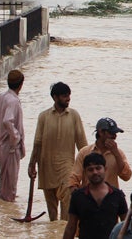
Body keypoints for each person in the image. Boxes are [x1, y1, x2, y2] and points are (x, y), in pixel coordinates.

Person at [28, 81, 88, 221]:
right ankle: (53, 232)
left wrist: (87, 167)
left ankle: (64, 231)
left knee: (67, 203)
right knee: (52, 210)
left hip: (67, 167)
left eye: (69, 95)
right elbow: (37, 143)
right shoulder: (44, 117)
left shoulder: (74, 116)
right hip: (46, 166)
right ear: (55, 97)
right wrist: (32, 164)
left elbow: (82, 144)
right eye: (64, 96)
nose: (68, 98)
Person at [63, 153, 128, 239]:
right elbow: (71, 227)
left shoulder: (117, 195)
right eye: (90, 169)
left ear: (105, 169)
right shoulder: (78, 196)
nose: (95, 172)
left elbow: (126, 225)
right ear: (85, 172)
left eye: (98, 168)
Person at [0, 69, 25, 202]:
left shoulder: (2, 97)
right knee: (11, 180)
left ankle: (4, 209)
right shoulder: (13, 101)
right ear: (21, 85)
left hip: (2, 143)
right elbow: (7, 120)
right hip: (10, 146)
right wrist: (15, 138)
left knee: (5, 178)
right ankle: (8, 205)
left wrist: (0, 126)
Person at [68, 117, 132, 191]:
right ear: (101, 132)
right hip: (89, 198)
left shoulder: (119, 153)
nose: (114, 136)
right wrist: (78, 197)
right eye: (111, 133)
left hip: (110, 198)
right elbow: (74, 179)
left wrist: (116, 154)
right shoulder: (84, 152)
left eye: (115, 133)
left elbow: (127, 177)